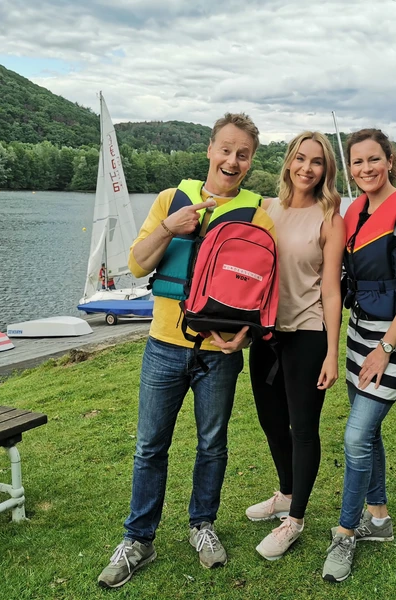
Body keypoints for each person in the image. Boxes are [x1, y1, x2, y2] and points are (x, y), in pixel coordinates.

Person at [97, 113, 276, 589]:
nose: (232, 161)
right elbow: (136, 264)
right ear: (210, 150)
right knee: (149, 445)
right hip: (164, 346)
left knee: (212, 445)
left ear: (251, 159)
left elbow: (264, 289)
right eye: (225, 150)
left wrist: (249, 336)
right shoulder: (170, 201)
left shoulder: (259, 214)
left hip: (220, 353)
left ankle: (203, 526)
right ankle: (139, 539)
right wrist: (170, 228)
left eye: (243, 154)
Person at [322, 128, 396, 583]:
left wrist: (385, 350)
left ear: (390, 160)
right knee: (365, 432)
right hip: (360, 329)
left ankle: (346, 533)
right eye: (357, 162)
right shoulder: (355, 210)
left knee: (355, 437)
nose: (366, 169)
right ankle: (379, 518)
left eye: (374, 159)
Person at [245, 132, 345, 560]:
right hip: (266, 333)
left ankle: (296, 520)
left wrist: (331, 351)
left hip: (307, 332)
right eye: (300, 158)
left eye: (316, 162)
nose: (307, 168)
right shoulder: (267, 209)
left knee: (302, 428)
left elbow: (331, 290)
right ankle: (285, 493)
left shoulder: (330, 217)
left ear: (326, 170)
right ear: (288, 161)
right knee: (270, 422)